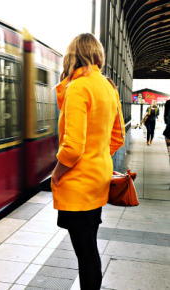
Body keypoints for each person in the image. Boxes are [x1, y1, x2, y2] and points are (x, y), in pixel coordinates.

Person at [51, 33, 123, 290]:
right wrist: (98, 155)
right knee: (88, 247)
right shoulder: (109, 86)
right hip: (98, 179)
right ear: (96, 55)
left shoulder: (79, 88)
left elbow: (72, 147)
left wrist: (57, 174)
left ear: (73, 55)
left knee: (86, 252)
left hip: (78, 182)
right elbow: (118, 137)